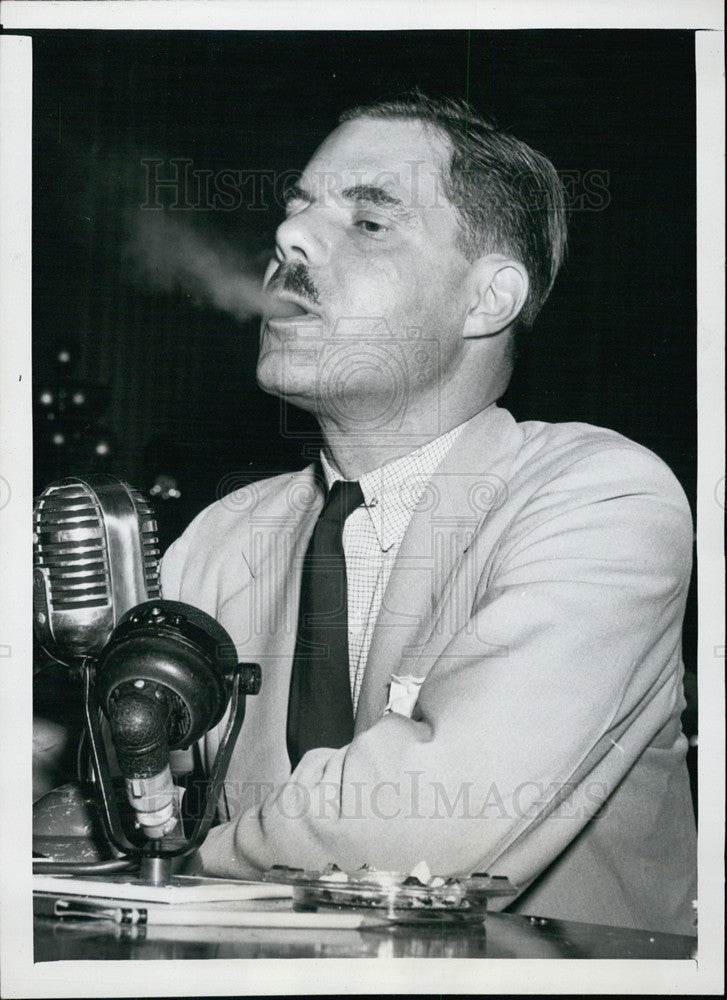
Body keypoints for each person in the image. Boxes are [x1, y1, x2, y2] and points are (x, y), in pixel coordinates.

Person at [161, 92, 696, 935]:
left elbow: (417, 838)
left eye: (369, 222)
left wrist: (176, 869)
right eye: (295, 209)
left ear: (487, 300)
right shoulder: (215, 544)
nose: (288, 240)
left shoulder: (603, 499)